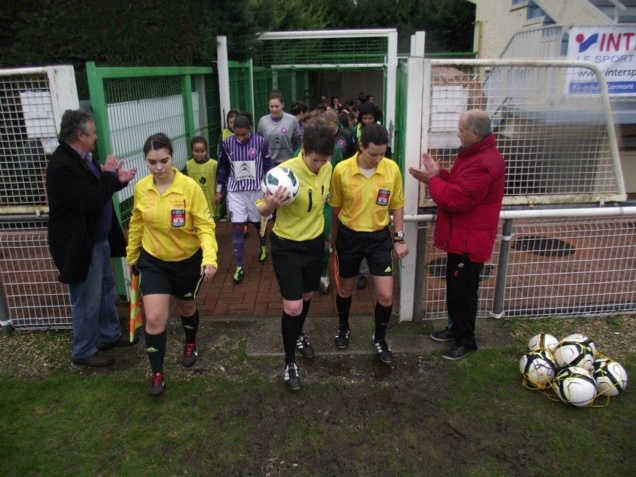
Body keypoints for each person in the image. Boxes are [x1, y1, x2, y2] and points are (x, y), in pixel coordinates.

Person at [408, 109, 505, 360]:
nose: (458, 134)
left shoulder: (484, 163)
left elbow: (456, 198)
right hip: (462, 237)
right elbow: (460, 185)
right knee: (455, 288)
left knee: (464, 292)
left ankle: (466, 340)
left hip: (469, 240)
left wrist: (434, 181)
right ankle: (456, 328)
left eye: (461, 130)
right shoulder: (476, 155)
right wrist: (439, 175)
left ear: (475, 133)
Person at [126, 133, 218, 396]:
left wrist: (209, 257)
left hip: (187, 262)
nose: (158, 167)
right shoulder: (142, 188)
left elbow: (205, 225)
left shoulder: (189, 187)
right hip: (153, 261)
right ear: (146, 161)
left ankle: (191, 342)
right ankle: (157, 373)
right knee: (155, 318)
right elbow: (137, 223)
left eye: (163, 160)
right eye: (152, 162)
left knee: (187, 307)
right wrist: (132, 256)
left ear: (172, 157)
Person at [46, 109, 139, 367]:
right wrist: (109, 174)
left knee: (105, 289)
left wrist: (116, 180)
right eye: (93, 132)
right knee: (87, 296)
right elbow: (89, 199)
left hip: (98, 240)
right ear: (79, 134)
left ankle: (108, 335)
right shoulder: (64, 165)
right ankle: (83, 349)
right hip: (79, 244)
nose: (96, 137)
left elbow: (99, 188)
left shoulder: (83, 158)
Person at [257, 119, 335, 391]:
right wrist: (270, 203)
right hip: (287, 246)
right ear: (303, 149)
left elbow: (326, 203)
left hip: (314, 244)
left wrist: (328, 239)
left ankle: (298, 335)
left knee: (306, 297)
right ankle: (289, 361)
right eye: (315, 160)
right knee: (292, 307)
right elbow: (262, 212)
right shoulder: (281, 173)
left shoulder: (327, 168)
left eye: (324, 160)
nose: (319, 165)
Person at [329, 124, 408, 365]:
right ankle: (343, 327)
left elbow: (397, 204)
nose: (378, 159)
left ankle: (380, 337)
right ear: (361, 147)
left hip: (378, 238)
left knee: (385, 294)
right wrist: (332, 240)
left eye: (382, 153)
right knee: (345, 289)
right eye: (373, 153)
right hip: (349, 236)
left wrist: (399, 237)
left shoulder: (391, 169)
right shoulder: (341, 170)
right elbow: (335, 208)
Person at [216, 115, 274, 284]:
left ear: (250, 129)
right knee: (237, 227)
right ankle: (239, 266)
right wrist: (219, 190)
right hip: (236, 192)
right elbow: (223, 168)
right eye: (237, 135)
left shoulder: (261, 142)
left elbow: (268, 164)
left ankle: (263, 246)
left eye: (244, 135)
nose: (240, 138)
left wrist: (271, 185)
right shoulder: (227, 144)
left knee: (258, 223)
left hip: (257, 190)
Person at [257, 89, 303, 165]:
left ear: (283, 105)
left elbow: (298, 143)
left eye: (277, 106)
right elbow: (259, 143)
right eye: (271, 106)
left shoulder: (291, 120)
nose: (274, 109)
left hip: (288, 163)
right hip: (269, 163)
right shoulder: (263, 121)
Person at [183, 136, 219, 220]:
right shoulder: (188, 165)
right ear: (192, 151)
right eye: (196, 151)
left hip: (210, 201)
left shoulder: (214, 164)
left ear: (207, 150)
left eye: (202, 151)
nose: (199, 154)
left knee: (210, 224)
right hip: (195, 201)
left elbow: (220, 181)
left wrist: (219, 193)